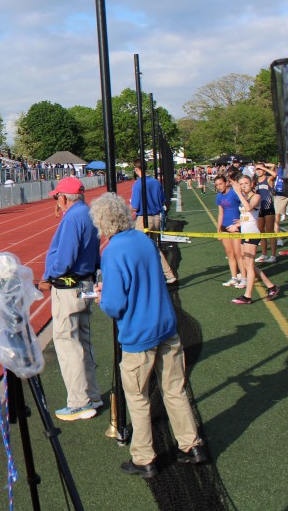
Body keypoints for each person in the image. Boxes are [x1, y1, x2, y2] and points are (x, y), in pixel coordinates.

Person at [89, 193, 208, 478]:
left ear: (102, 222)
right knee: (175, 389)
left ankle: (144, 457)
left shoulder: (113, 251)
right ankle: (191, 445)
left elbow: (115, 304)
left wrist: (102, 298)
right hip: (165, 325)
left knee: (138, 397)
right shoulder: (143, 240)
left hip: (139, 333)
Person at [38, 176, 101, 421]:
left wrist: (48, 276)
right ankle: (92, 395)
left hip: (69, 286)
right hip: (85, 282)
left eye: (57, 197)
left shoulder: (73, 218)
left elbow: (65, 257)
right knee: (83, 340)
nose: (57, 201)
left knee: (68, 342)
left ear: (64, 197)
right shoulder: (88, 213)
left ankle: (79, 402)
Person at [228, 175, 280, 304]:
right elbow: (248, 216)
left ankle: (247, 296)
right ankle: (271, 286)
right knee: (248, 265)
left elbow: (249, 208)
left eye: (246, 183)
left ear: (251, 184)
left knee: (249, 266)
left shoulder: (255, 196)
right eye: (241, 184)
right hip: (245, 233)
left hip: (252, 234)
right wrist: (238, 224)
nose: (243, 186)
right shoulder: (244, 197)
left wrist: (238, 193)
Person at [130, 163, 178, 285]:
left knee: (140, 248)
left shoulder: (138, 184)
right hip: (157, 218)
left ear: (136, 169)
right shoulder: (156, 182)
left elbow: (135, 206)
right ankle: (167, 275)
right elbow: (162, 200)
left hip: (144, 218)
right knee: (153, 248)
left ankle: (144, 277)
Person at [215, 174, 245, 289]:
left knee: (238, 254)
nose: (219, 186)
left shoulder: (234, 193)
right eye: (217, 185)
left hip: (235, 228)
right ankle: (234, 277)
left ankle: (244, 278)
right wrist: (218, 230)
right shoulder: (219, 196)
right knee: (230, 253)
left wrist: (241, 222)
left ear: (226, 183)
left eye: (220, 184)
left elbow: (244, 207)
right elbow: (220, 213)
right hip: (225, 228)